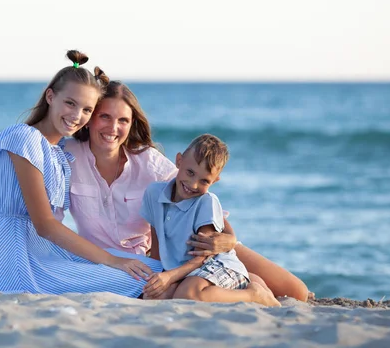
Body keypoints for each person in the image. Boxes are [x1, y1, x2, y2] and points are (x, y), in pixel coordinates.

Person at [64, 77, 310, 302]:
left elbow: (199, 196)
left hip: (193, 250)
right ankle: (249, 286)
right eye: (105, 116)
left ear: (132, 124)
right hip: (142, 263)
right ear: (89, 117)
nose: (113, 128)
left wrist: (229, 240)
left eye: (123, 120)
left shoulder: (148, 161)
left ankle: (248, 281)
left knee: (296, 292)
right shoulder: (68, 155)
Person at [0, 50, 160, 296]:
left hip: (48, 252)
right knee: (144, 280)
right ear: (50, 96)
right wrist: (113, 261)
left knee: (155, 269)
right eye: (70, 103)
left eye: (87, 110)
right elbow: (45, 225)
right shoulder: (23, 138)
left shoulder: (59, 152)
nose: (76, 116)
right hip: (15, 257)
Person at [140, 134, 280, 306]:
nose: (193, 185)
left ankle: (254, 295)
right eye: (190, 172)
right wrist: (158, 278)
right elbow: (157, 246)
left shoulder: (207, 202)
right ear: (179, 161)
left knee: (188, 294)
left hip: (214, 265)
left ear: (215, 180)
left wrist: (169, 277)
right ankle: (249, 281)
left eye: (204, 180)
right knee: (152, 297)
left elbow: (203, 257)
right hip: (182, 272)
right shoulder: (154, 193)